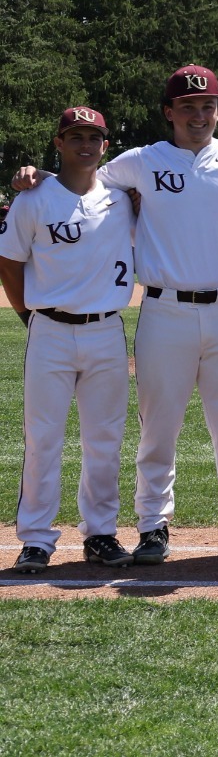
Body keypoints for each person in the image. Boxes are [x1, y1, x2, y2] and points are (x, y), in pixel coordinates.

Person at [14, 66, 218, 565]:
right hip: (163, 309)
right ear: (168, 112)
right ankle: (153, 525)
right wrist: (40, 174)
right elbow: (81, 179)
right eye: (187, 107)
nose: (199, 115)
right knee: (159, 428)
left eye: (208, 106)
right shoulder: (141, 161)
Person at [0, 107, 135, 572]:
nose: (85, 144)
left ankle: (100, 534)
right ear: (58, 142)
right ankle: (37, 539)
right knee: (43, 439)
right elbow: (10, 261)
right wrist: (27, 317)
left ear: (105, 145)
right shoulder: (34, 198)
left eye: (93, 137)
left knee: (105, 439)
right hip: (51, 331)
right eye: (75, 135)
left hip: (106, 331)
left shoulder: (123, 197)